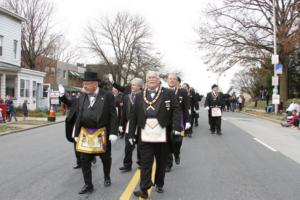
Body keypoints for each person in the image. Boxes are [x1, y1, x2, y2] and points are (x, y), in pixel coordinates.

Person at [128, 71, 181, 198]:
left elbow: (175, 109)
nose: (151, 79)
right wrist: (130, 134)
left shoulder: (168, 93)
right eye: (149, 77)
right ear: (146, 81)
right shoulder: (140, 95)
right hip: (145, 133)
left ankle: (159, 183)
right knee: (145, 162)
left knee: (161, 161)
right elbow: (133, 115)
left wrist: (176, 127)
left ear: (158, 80)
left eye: (154, 77)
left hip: (162, 133)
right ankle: (144, 188)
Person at [74, 71, 118, 194]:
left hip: (102, 132)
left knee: (105, 158)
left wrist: (113, 132)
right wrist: (76, 133)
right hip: (86, 133)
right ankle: (88, 184)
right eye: (84, 84)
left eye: (87, 84)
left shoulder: (108, 95)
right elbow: (79, 115)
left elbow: (113, 115)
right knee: (84, 160)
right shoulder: (82, 95)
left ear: (94, 84)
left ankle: (107, 176)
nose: (84, 86)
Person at [165, 74, 190, 172]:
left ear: (177, 81)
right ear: (167, 80)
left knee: (178, 141)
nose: (172, 80)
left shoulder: (183, 92)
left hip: (180, 120)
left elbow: (186, 107)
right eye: (170, 79)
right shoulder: (163, 91)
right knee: (167, 141)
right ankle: (168, 163)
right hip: (166, 120)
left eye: (174, 79)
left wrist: (187, 121)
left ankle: (177, 153)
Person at [119, 78, 143, 172]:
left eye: (135, 85)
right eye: (132, 85)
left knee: (140, 146)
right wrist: (121, 124)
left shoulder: (143, 96)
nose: (133, 87)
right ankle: (127, 164)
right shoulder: (126, 97)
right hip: (130, 124)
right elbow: (123, 112)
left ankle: (141, 162)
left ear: (140, 86)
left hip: (140, 124)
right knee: (128, 146)